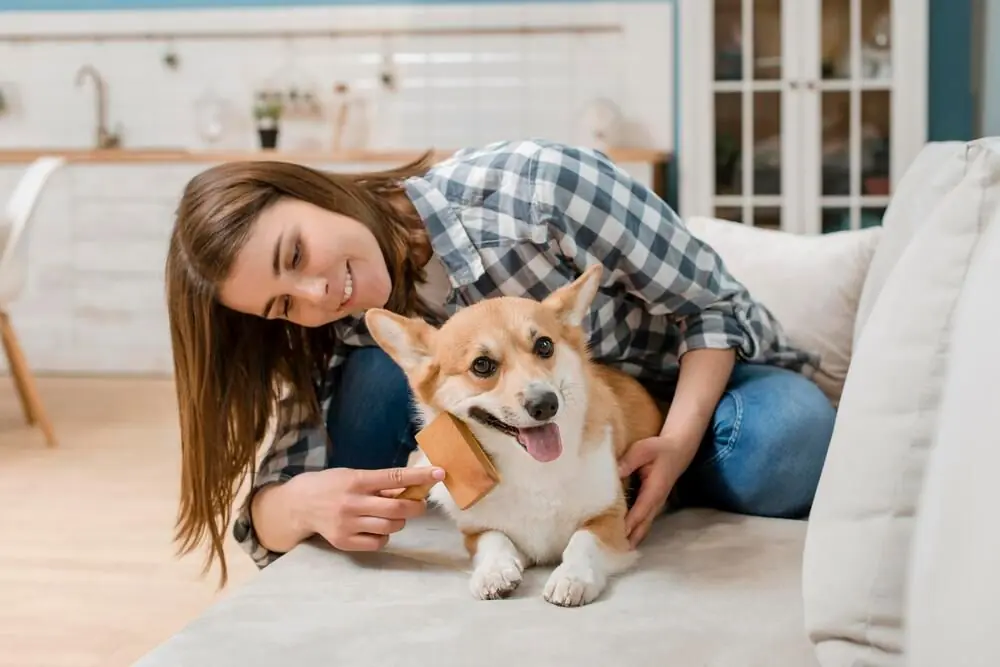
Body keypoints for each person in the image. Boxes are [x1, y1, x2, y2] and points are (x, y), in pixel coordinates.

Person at [165, 139, 836, 584]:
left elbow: (713, 305)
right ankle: (551, 501)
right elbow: (268, 510)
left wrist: (679, 442)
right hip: (533, 431)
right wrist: (302, 499)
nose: (317, 293)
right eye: (284, 304)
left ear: (310, 189)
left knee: (790, 441)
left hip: (698, 383)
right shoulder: (341, 327)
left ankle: (643, 488)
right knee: (371, 376)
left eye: (295, 254)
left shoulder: (538, 187)